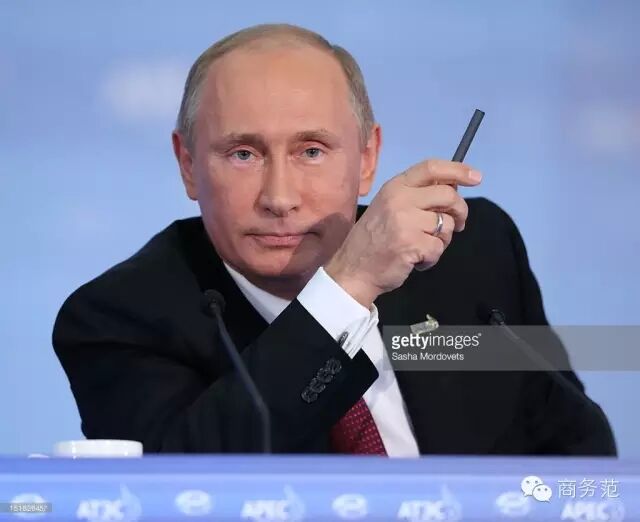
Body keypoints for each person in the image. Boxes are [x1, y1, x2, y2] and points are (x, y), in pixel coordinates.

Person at [52, 23, 615, 456]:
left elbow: (579, 456)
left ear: (367, 158)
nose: (279, 197)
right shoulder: (118, 319)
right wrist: (348, 286)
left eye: (312, 151)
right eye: (243, 154)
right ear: (188, 165)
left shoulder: (468, 254)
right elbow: (184, 490)